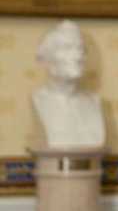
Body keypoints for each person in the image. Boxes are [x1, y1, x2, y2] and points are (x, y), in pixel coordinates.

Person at [32, 19, 105, 148]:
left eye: (81, 49)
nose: (77, 56)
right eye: (67, 48)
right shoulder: (38, 100)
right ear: (47, 58)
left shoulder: (94, 101)